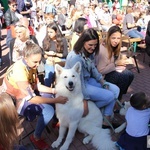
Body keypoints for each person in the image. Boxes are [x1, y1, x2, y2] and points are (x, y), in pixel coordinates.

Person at [2, 41, 68, 149]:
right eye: (35, 62)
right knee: (48, 110)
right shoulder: (20, 71)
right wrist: (57, 100)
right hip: (15, 102)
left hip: (25, 95)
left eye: (39, 61)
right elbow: (31, 98)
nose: (38, 65)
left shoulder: (29, 64)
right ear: (25, 57)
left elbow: (37, 85)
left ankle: (55, 122)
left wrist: (53, 91)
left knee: (52, 97)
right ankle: (36, 137)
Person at [65, 28, 120, 128]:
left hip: (88, 81)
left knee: (115, 90)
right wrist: (85, 103)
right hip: (77, 86)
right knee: (110, 96)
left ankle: (105, 119)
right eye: (90, 45)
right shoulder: (76, 58)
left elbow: (93, 68)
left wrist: (102, 81)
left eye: (95, 45)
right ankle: (92, 113)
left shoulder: (88, 52)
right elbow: (79, 83)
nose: (93, 48)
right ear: (83, 42)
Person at [95, 25, 134, 103]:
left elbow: (115, 60)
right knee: (124, 76)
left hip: (111, 71)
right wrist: (116, 64)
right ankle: (116, 101)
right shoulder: (103, 49)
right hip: (102, 77)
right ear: (108, 37)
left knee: (130, 75)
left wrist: (123, 59)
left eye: (118, 38)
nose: (116, 41)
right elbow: (100, 71)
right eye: (113, 38)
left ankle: (119, 96)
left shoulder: (115, 47)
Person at [42, 22, 68, 87]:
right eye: (48, 32)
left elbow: (65, 54)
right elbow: (43, 53)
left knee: (62, 74)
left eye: (51, 32)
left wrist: (55, 54)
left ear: (56, 32)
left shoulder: (62, 40)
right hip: (49, 60)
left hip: (60, 60)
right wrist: (47, 56)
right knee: (49, 73)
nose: (49, 34)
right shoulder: (45, 40)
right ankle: (47, 91)